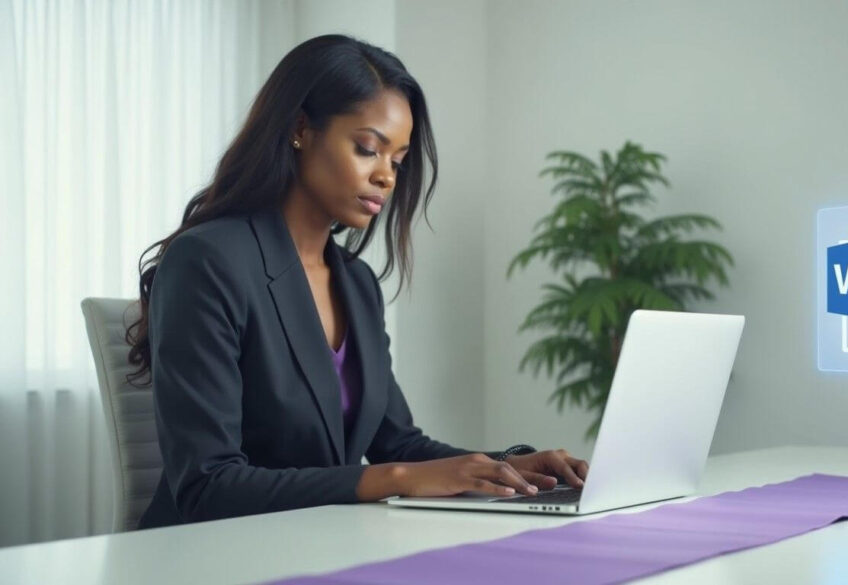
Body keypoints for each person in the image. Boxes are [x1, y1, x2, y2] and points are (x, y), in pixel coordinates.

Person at [126, 34, 589, 529]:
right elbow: (208, 486)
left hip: (319, 540)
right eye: (369, 149)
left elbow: (399, 444)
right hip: (208, 551)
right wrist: (397, 479)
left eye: (398, 160)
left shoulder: (357, 283)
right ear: (300, 129)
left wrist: (511, 466)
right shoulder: (208, 262)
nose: (387, 177)